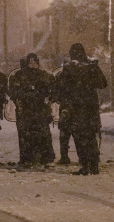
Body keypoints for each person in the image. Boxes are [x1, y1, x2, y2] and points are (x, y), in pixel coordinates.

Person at [55, 43, 107, 175]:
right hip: (91, 107)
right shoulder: (92, 66)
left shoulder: (69, 68)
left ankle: (85, 165)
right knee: (91, 136)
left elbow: (61, 87)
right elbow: (102, 84)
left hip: (76, 107)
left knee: (80, 137)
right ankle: (94, 165)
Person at [9, 53, 55, 167]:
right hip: (26, 109)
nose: (32, 65)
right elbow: (13, 92)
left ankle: (43, 158)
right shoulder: (19, 75)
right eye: (30, 63)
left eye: (34, 63)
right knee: (26, 135)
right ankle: (28, 158)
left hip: (39, 108)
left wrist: (49, 102)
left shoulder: (43, 75)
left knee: (42, 134)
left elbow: (53, 90)